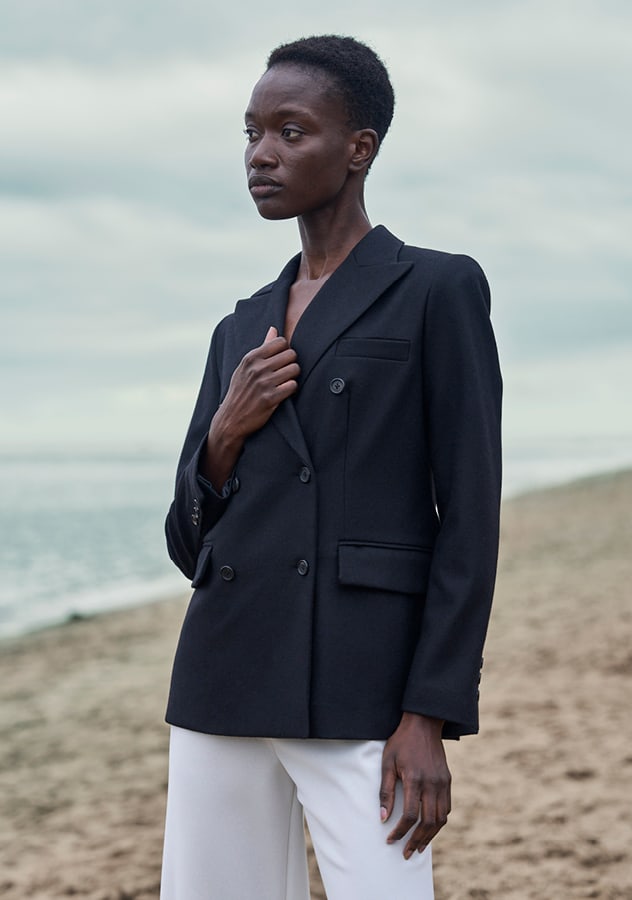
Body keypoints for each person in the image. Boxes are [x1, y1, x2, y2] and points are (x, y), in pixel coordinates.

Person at [160, 34, 501, 900]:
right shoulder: (239, 327)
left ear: (360, 148)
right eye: (250, 133)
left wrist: (430, 712)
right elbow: (185, 542)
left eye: (290, 131)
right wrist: (223, 435)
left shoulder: (436, 288)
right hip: (223, 674)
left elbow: (468, 515)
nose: (261, 155)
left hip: (364, 686)